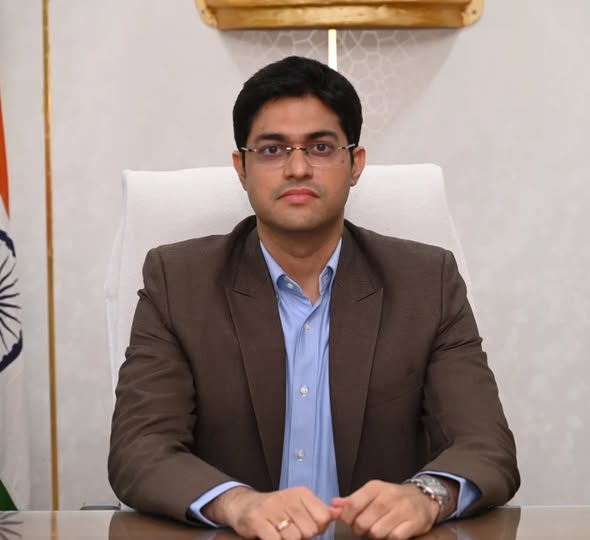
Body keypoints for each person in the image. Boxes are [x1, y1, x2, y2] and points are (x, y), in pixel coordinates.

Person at [108, 55, 519, 540]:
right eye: (272, 149)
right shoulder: (179, 283)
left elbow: (486, 445)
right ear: (241, 168)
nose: (298, 168)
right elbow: (140, 449)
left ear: (355, 164)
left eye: (321, 147)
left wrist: (427, 495)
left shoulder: (427, 283)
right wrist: (238, 504)